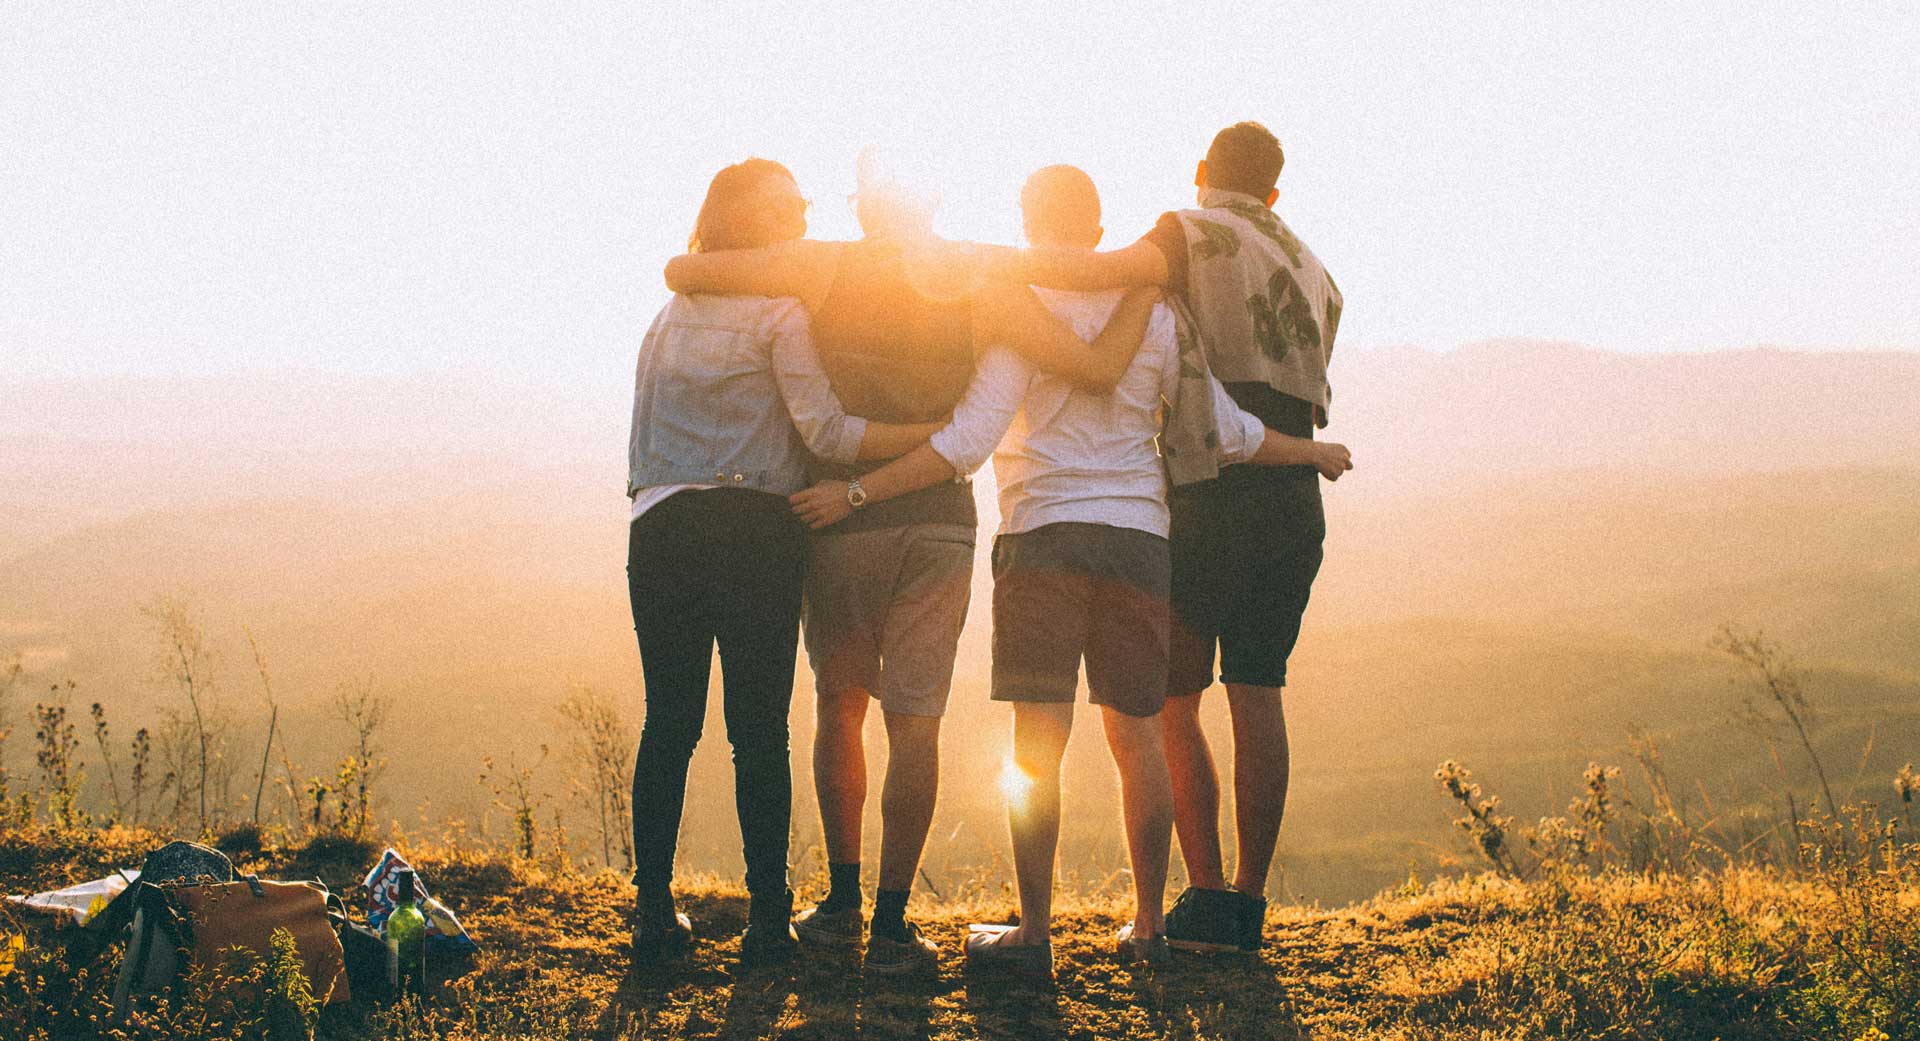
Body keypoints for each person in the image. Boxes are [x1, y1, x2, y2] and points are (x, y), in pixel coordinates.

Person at [788, 165, 1350, 978]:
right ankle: (1150, 926)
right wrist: (1311, 451)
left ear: (1026, 222)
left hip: (1041, 536)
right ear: (1097, 230)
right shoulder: (1157, 312)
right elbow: (1225, 429)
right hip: (1138, 542)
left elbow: (968, 441)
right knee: (1138, 738)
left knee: (1036, 746)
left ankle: (1035, 934)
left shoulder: (1018, 309)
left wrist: (859, 489)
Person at [663, 152, 1148, 977]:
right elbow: (1083, 356)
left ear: (863, 209)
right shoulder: (983, 276)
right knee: (915, 720)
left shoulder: (822, 266)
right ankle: (892, 923)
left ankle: (841, 901)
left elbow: (688, 269)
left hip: (838, 517)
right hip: (939, 524)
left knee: (840, 704)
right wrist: (1145, 280)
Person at [994, 123, 1347, 953]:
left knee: (1172, 703)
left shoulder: (1186, 232)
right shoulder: (1315, 267)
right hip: (1291, 492)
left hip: (1210, 490)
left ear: (1200, 174)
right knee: (1259, 691)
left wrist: (977, 266)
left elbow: (1098, 272)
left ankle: (1203, 894)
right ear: (1275, 191)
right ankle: (1246, 909)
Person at [625, 158, 949, 968]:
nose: (805, 215)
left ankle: (653, 913)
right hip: (755, 532)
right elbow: (829, 435)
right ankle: (768, 919)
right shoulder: (779, 313)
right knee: (757, 731)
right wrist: (930, 438)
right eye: (792, 206)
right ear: (759, 224)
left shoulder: (666, 317)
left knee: (669, 722)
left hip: (660, 526)